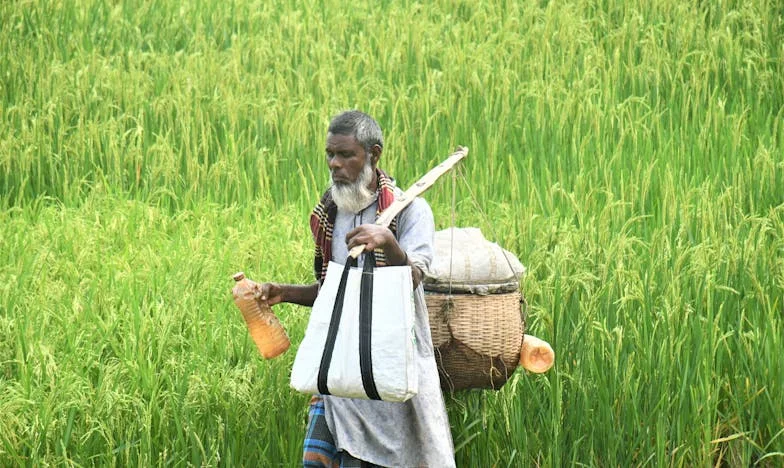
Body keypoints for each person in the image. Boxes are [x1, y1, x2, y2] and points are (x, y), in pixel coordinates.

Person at [258, 110, 455, 467]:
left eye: (346, 155)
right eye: (330, 155)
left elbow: (413, 278)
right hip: (341, 370)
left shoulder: (410, 211)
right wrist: (283, 292)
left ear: (373, 155)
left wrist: (389, 243)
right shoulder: (332, 213)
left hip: (389, 369)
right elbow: (335, 293)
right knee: (320, 461)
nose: (335, 164)